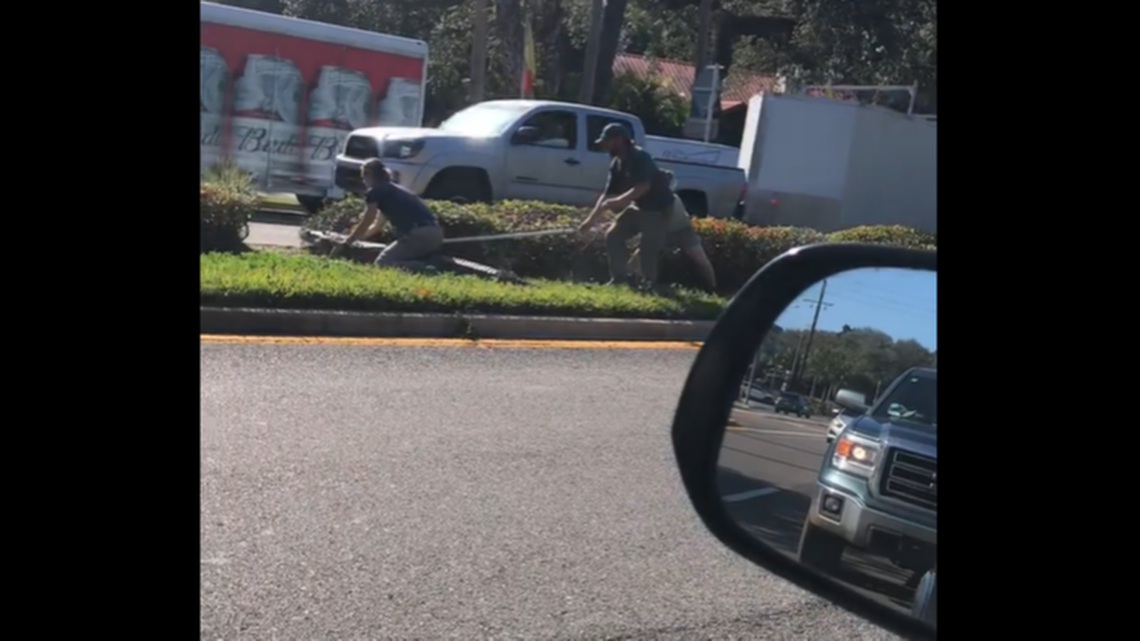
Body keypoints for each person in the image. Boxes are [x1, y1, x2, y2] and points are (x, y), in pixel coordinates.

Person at [577, 123, 676, 288]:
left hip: (658, 210)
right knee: (613, 236)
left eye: (607, 141)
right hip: (638, 208)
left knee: (647, 249)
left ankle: (649, 285)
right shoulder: (616, 163)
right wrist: (589, 221)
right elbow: (606, 195)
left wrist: (619, 201)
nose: (604, 146)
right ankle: (619, 279)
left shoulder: (640, 157)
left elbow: (643, 187)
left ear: (619, 140)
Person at [330, 158, 444, 271]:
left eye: (363, 177)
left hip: (418, 234)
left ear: (368, 174)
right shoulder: (391, 190)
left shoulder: (375, 192)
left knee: (383, 263)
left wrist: (347, 242)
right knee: (396, 258)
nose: (363, 181)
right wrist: (357, 238)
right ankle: (426, 263)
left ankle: (426, 268)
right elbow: (377, 225)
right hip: (435, 233)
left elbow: (367, 220)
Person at [627, 193, 717, 290]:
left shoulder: (670, 198)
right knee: (641, 254)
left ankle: (712, 287)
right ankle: (629, 278)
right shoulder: (643, 200)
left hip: (683, 231)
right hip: (663, 232)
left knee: (699, 258)